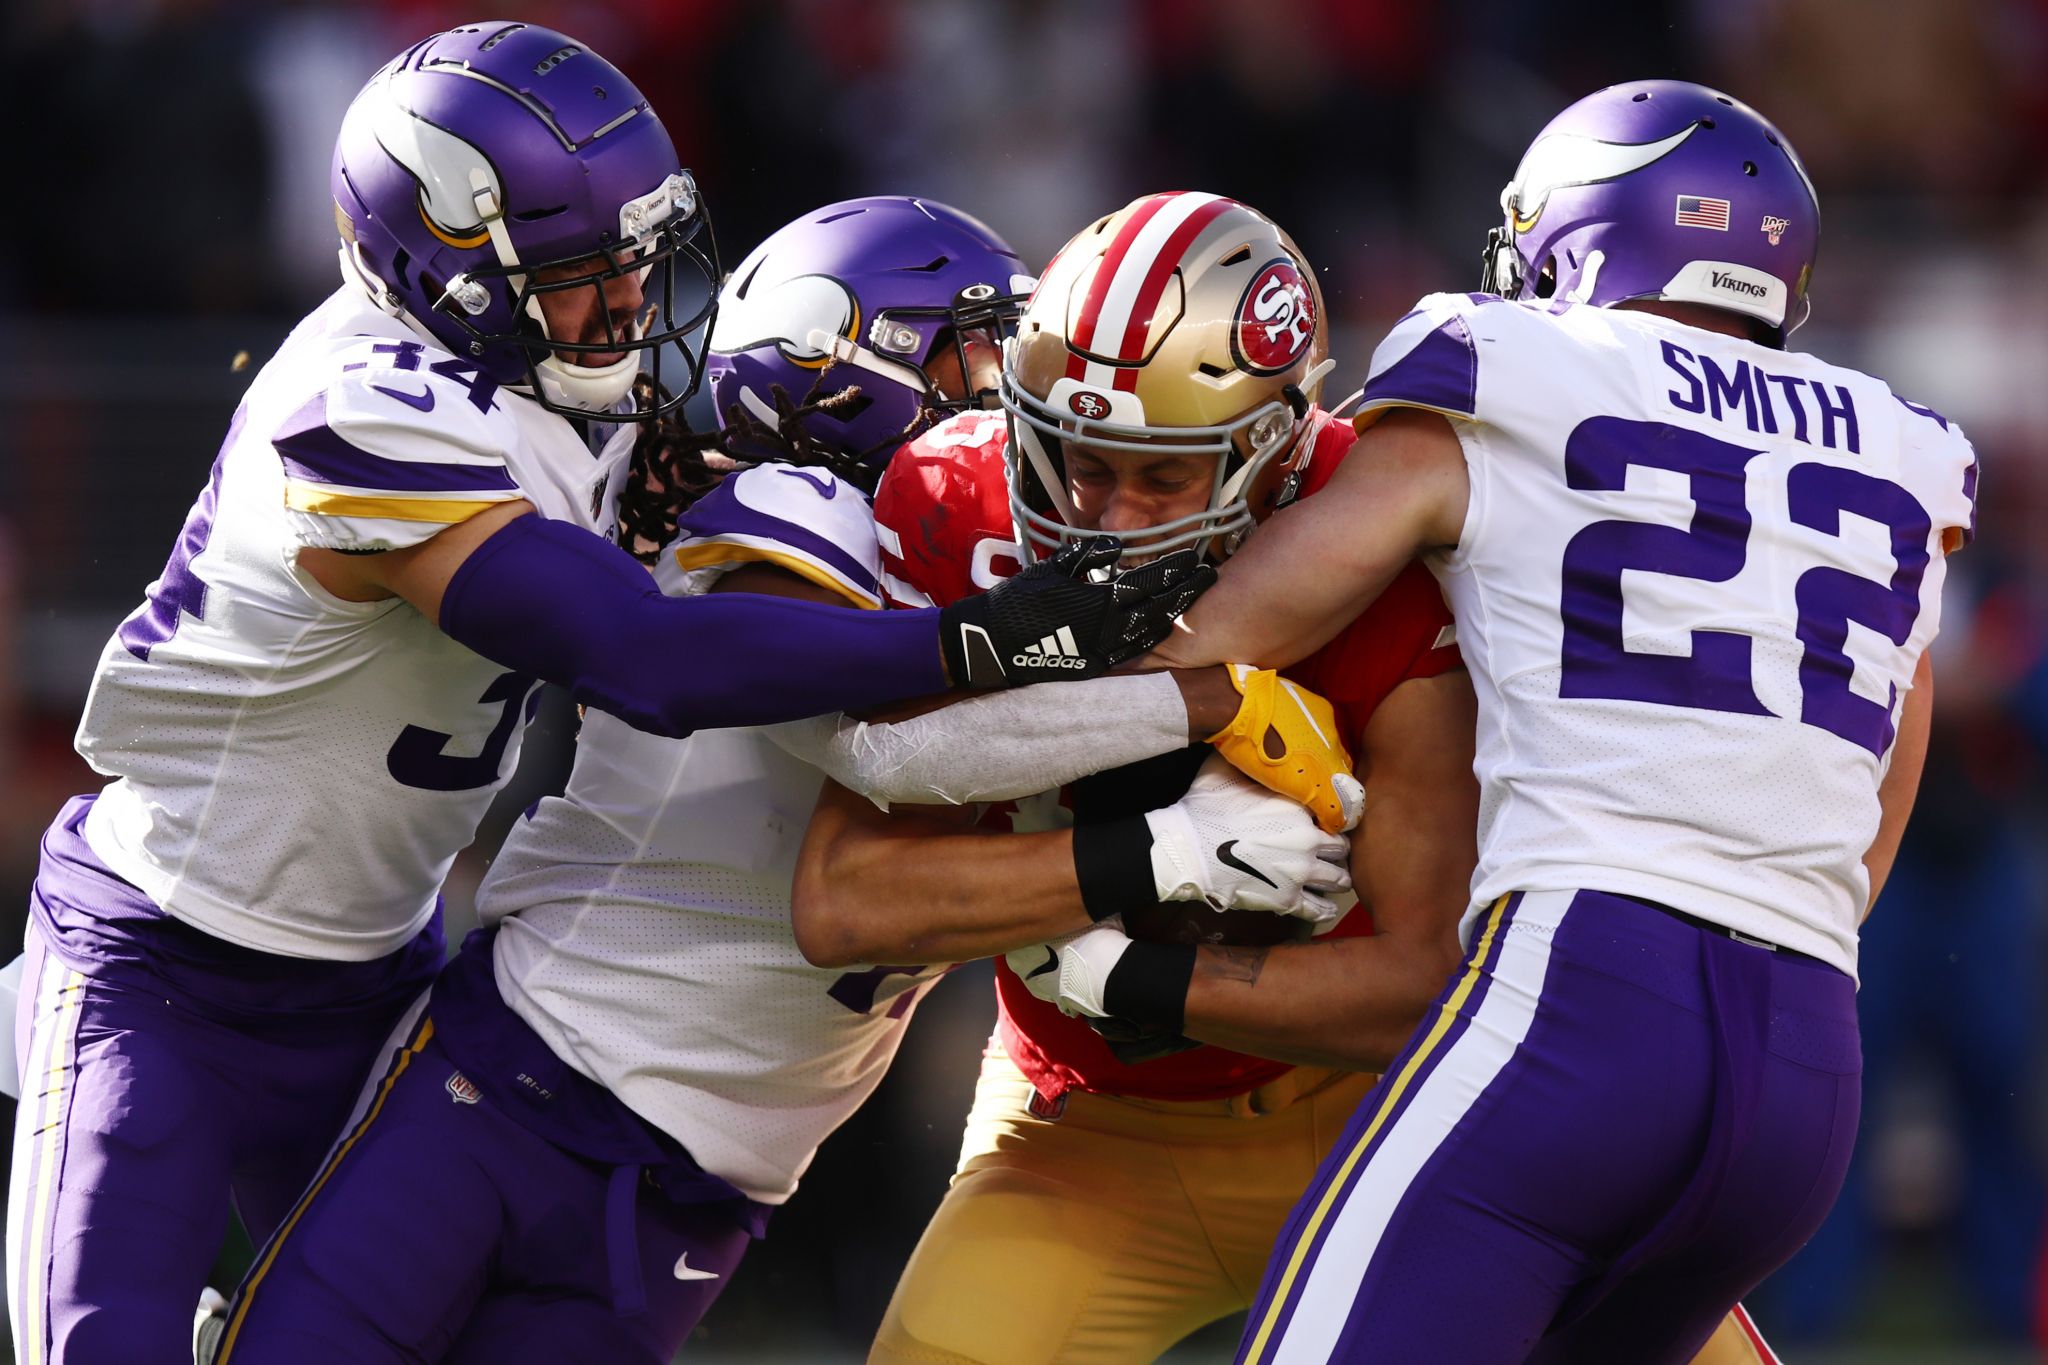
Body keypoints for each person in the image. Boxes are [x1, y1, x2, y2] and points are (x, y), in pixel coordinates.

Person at [4, 29, 1204, 1365]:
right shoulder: (363, 402)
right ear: (445, 268)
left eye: (635, 258)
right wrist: (985, 645)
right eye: (583, 275)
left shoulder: (576, 385)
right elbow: (651, 662)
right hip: (168, 958)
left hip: (374, 966)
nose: (627, 304)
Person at [206, 197, 1331, 1365]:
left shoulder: (989, 572)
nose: (1012, 395)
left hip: (715, 1172)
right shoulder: (797, 507)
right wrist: (1203, 710)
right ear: (849, 366)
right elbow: (868, 738)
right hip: (526, 1070)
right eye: (977, 347)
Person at [810, 189, 1777, 1365]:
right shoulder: (956, 505)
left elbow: (1425, 978)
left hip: (1380, 1119)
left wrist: (1141, 975)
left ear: (1271, 456)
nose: (1102, 519)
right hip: (1083, 1128)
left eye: (1158, 476)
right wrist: (1135, 864)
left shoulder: (1386, 550)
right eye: (1075, 457)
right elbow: (843, 900)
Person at [1138, 82, 1974, 1364]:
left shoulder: (1512, 358)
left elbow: (1242, 631)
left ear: (1575, 231)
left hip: (1582, 994)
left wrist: (1109, 693)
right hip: (1804, 1068)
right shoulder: (1904, 448)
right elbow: (1875, 804)